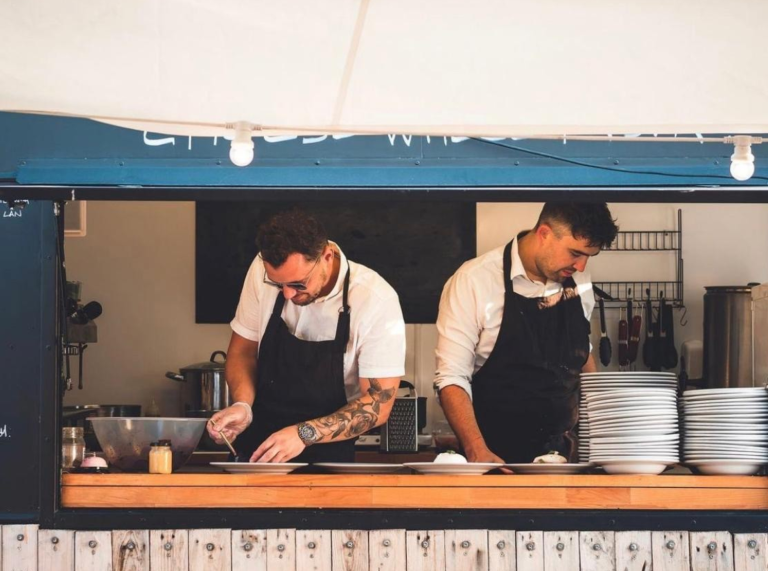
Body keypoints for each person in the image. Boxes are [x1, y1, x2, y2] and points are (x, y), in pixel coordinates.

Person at [208, 209, 406, 464]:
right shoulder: (261, 269)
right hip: (256, 454)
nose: (288, 294)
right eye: (278, 285)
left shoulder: (375, 300)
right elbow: (243, 351)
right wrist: (242, 406)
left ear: (327, 256)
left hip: (329, 460)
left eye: (299, 284)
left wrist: (303, 434)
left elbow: (378, 404)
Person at [434, 202, 618, 464]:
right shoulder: (474, 281)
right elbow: (451, 378)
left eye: (589, 256)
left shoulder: (579, 282)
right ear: (544, 233)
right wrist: (477, 451)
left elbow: (582, 352)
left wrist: (606, 438)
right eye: (575, 253)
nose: (581, 266)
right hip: (493, 459)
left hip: (565, 459)